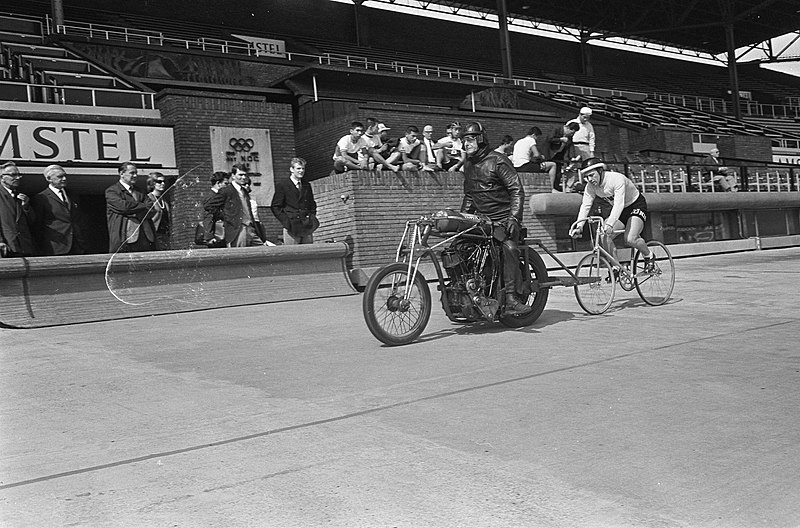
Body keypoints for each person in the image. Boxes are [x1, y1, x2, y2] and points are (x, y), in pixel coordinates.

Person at [460, 122, 532, 316]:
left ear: (481, 139)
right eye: (464, 140)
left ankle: (510, 299)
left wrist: (514, 218)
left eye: (470, 139)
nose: (466, 144)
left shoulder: (498, 160)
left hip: (503, 219)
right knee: (458, 246)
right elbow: (469, 195)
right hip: (482, 221)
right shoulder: (468, 164)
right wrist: (462, 220)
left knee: (509, 247)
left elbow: (516, 190)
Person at [568, 157, 653, 268]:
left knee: (630, 239)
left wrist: (609, 224)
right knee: (603, 236)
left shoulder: (616, 179)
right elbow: (585, 206)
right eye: (586, 177)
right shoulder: (590, 187)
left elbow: (619, 204)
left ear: (600, 171)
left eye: (591, 175)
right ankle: (616, 267)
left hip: (635, 205)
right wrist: (579, 226)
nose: (589, 179)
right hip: (620, 211)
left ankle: (649, 255)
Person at [31, 164, 84, 255]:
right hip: (56, 247)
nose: (64, 179)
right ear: (49, 179)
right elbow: (38, 225)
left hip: (77, 245)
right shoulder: (41, 198)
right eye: (60, 176)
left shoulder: (72, 195)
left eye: (64, 176)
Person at [105, 162, 155, 253]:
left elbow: (151, 209)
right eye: (132, 173)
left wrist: (133, 211)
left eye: (136, 173)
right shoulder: (112, 191)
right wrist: (143, 206)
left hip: (145, 238)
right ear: (121, 173)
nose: (135, 175)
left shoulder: (140, 191)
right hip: (125, 240)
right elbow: (124, 207)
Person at [271, 157, 318, 245]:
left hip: (306, 226)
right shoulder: (283, 185)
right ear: (291, 169)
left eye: (303, 168)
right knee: (293, 254)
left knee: (308, 254)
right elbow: (275, 206)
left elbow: (312, 203)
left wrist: (311, 217)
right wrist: (286, 221)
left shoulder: (306, 185)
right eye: (298, 168)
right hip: (291, 226)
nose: (301, 171)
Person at [215, 164, 262, 247]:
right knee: (241, 256)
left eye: (245, 175)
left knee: (263, 251)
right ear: (233, 176)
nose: (243, 177)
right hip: (239, 229)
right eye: (240, 175)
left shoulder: (244, 191)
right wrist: (229, 218)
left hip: (250, 228)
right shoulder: (226, 191)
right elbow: (210, 206)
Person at [0, 161, 36, 257]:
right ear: (2, 177)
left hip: (24, 245)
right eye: (13, 175)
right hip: (7, 246)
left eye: (19, 175)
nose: (18, 177)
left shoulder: (19, 195)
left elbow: (31, 221)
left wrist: (26, 206)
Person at [511, 127, 559, 192]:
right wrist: (542, 157)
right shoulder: (531, 140)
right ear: (533, 135)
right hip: (525, 166)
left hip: (516, 167)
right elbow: (536, 155)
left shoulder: (518, 141)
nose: (537, 140)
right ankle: (552, 188)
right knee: (552, 165)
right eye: (537, 137)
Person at [541, 122, 580, 192]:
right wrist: (560, 139)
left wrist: (572, 157)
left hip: (559, 155)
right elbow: (549, 139)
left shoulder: (569, 136)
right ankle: (551, 187)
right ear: (567, 128)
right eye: (571, 133)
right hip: (550, 153)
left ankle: (556, 187)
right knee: (552, 170)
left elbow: (570, 146)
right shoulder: (556, 129)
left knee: (558, 172)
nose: (572, 135)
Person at [201, 171, 229, 247]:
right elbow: (208, 216)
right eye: (225, 184)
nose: (227, 187)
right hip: (216, 236)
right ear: (218, 183)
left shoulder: (216, 195)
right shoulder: (212, 196)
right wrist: (209, 237)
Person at [146, 172, 171, 250]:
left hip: (165, 236)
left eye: (164, 181)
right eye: (159, 182)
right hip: (153, 235)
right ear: (153, 183)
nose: (162, 183)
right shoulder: (148, 199)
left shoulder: (164, 200)